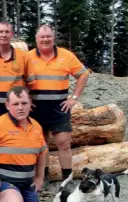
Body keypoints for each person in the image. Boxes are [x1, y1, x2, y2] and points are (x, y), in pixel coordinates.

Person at [27, 24, 89, 186]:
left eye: (49, 36)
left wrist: (74, 97)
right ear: (36, 39)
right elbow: (18, 78)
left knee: (63, 142)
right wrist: (26, 99)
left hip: (59, 107)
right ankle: (44, 177)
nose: (45, 39)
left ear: (53, 38)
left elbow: (83, 74)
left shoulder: (66, 56)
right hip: (36, 108)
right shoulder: (28, 57)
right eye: (42, 37)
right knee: (41, 144)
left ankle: (67, 179)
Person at [0, 21, 36, 122]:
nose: (4, 35)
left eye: (7, 32)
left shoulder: (24, 56)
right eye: (1, 32)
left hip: (17, 106)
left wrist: (25, 99)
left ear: (12, 34)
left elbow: (30, 83)